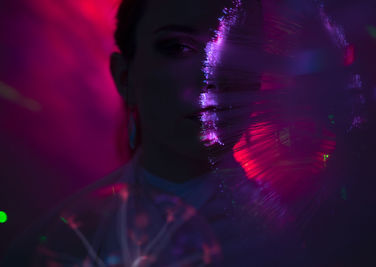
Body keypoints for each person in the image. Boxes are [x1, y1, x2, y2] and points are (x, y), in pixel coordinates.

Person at [2, 0, 351, 266]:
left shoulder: (290, 238)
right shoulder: (64, 237)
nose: (210, 78)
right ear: (125, 76)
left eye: (238, 52)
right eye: (177, 48)